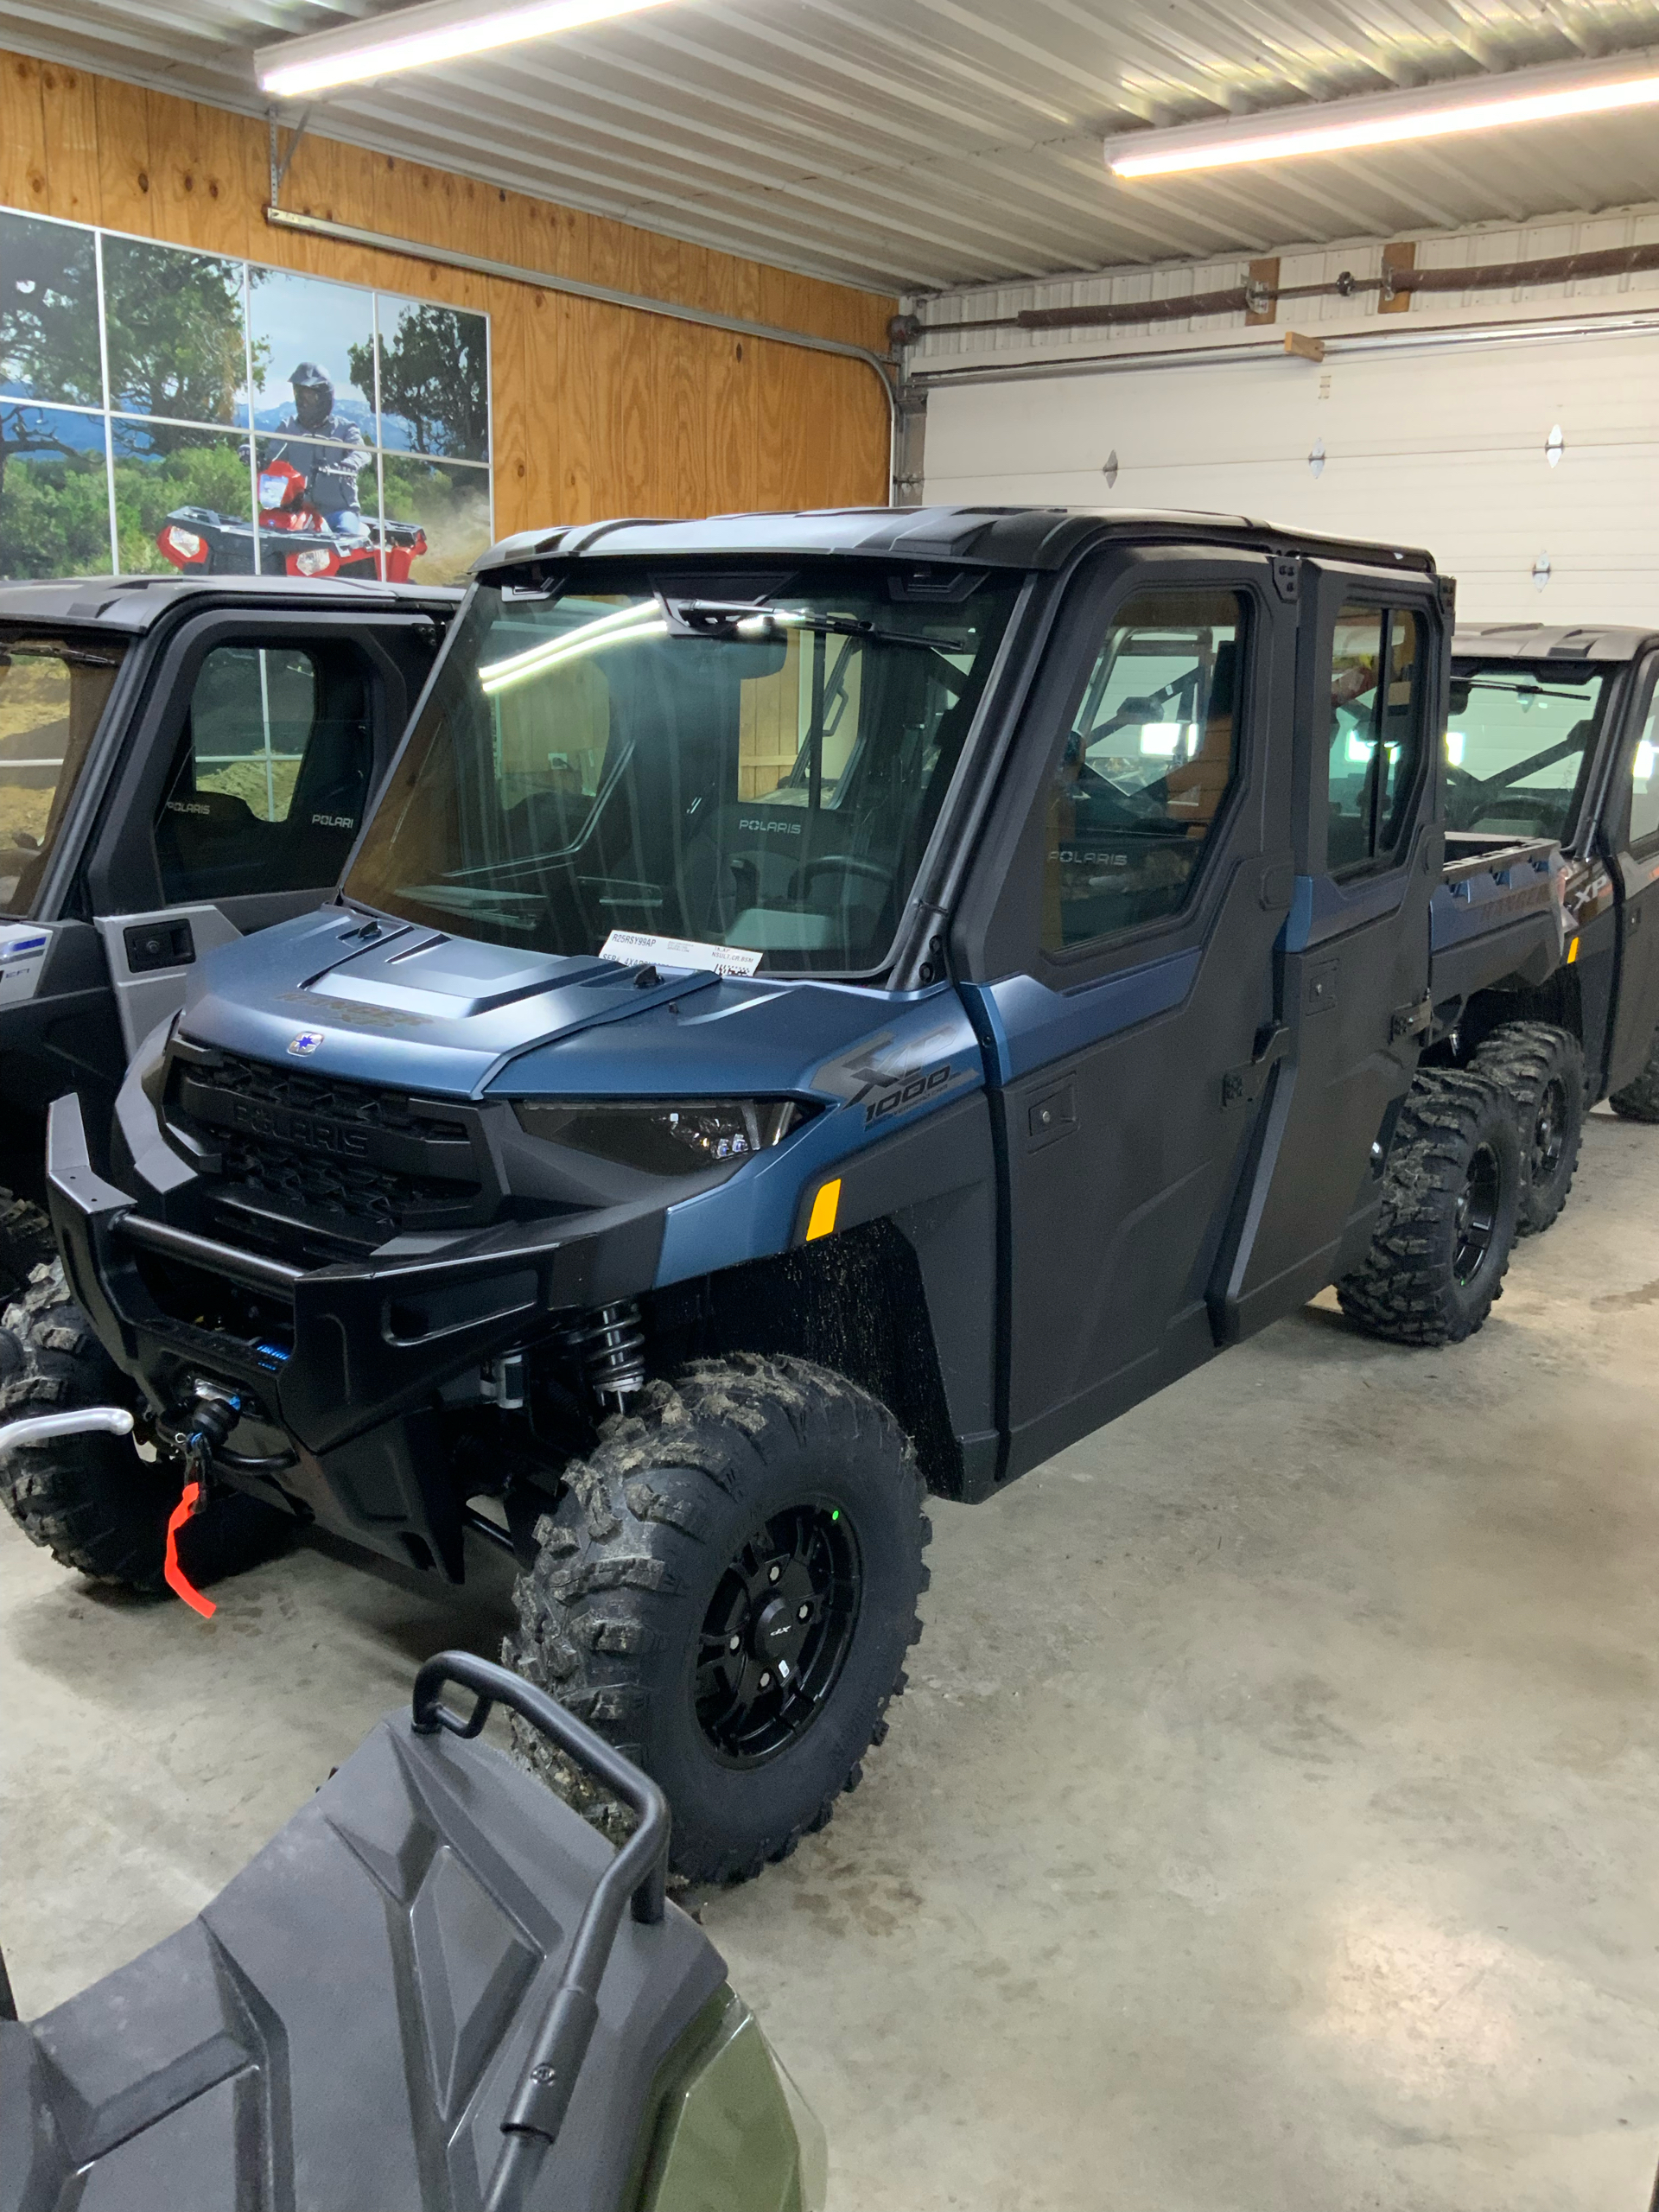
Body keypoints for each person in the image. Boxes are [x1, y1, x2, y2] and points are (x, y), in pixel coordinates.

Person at [260, 363, 371, 538]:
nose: (302, 402)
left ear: (324, 397)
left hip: (337, 512)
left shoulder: (344, 429)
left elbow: (362, 452)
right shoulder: (288, 428)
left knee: (346, 538)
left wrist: (349, 464)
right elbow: (272, 457)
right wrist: (257, 458)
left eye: (309, 396)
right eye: (299, 395)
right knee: (266, 534)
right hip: (296, 511)